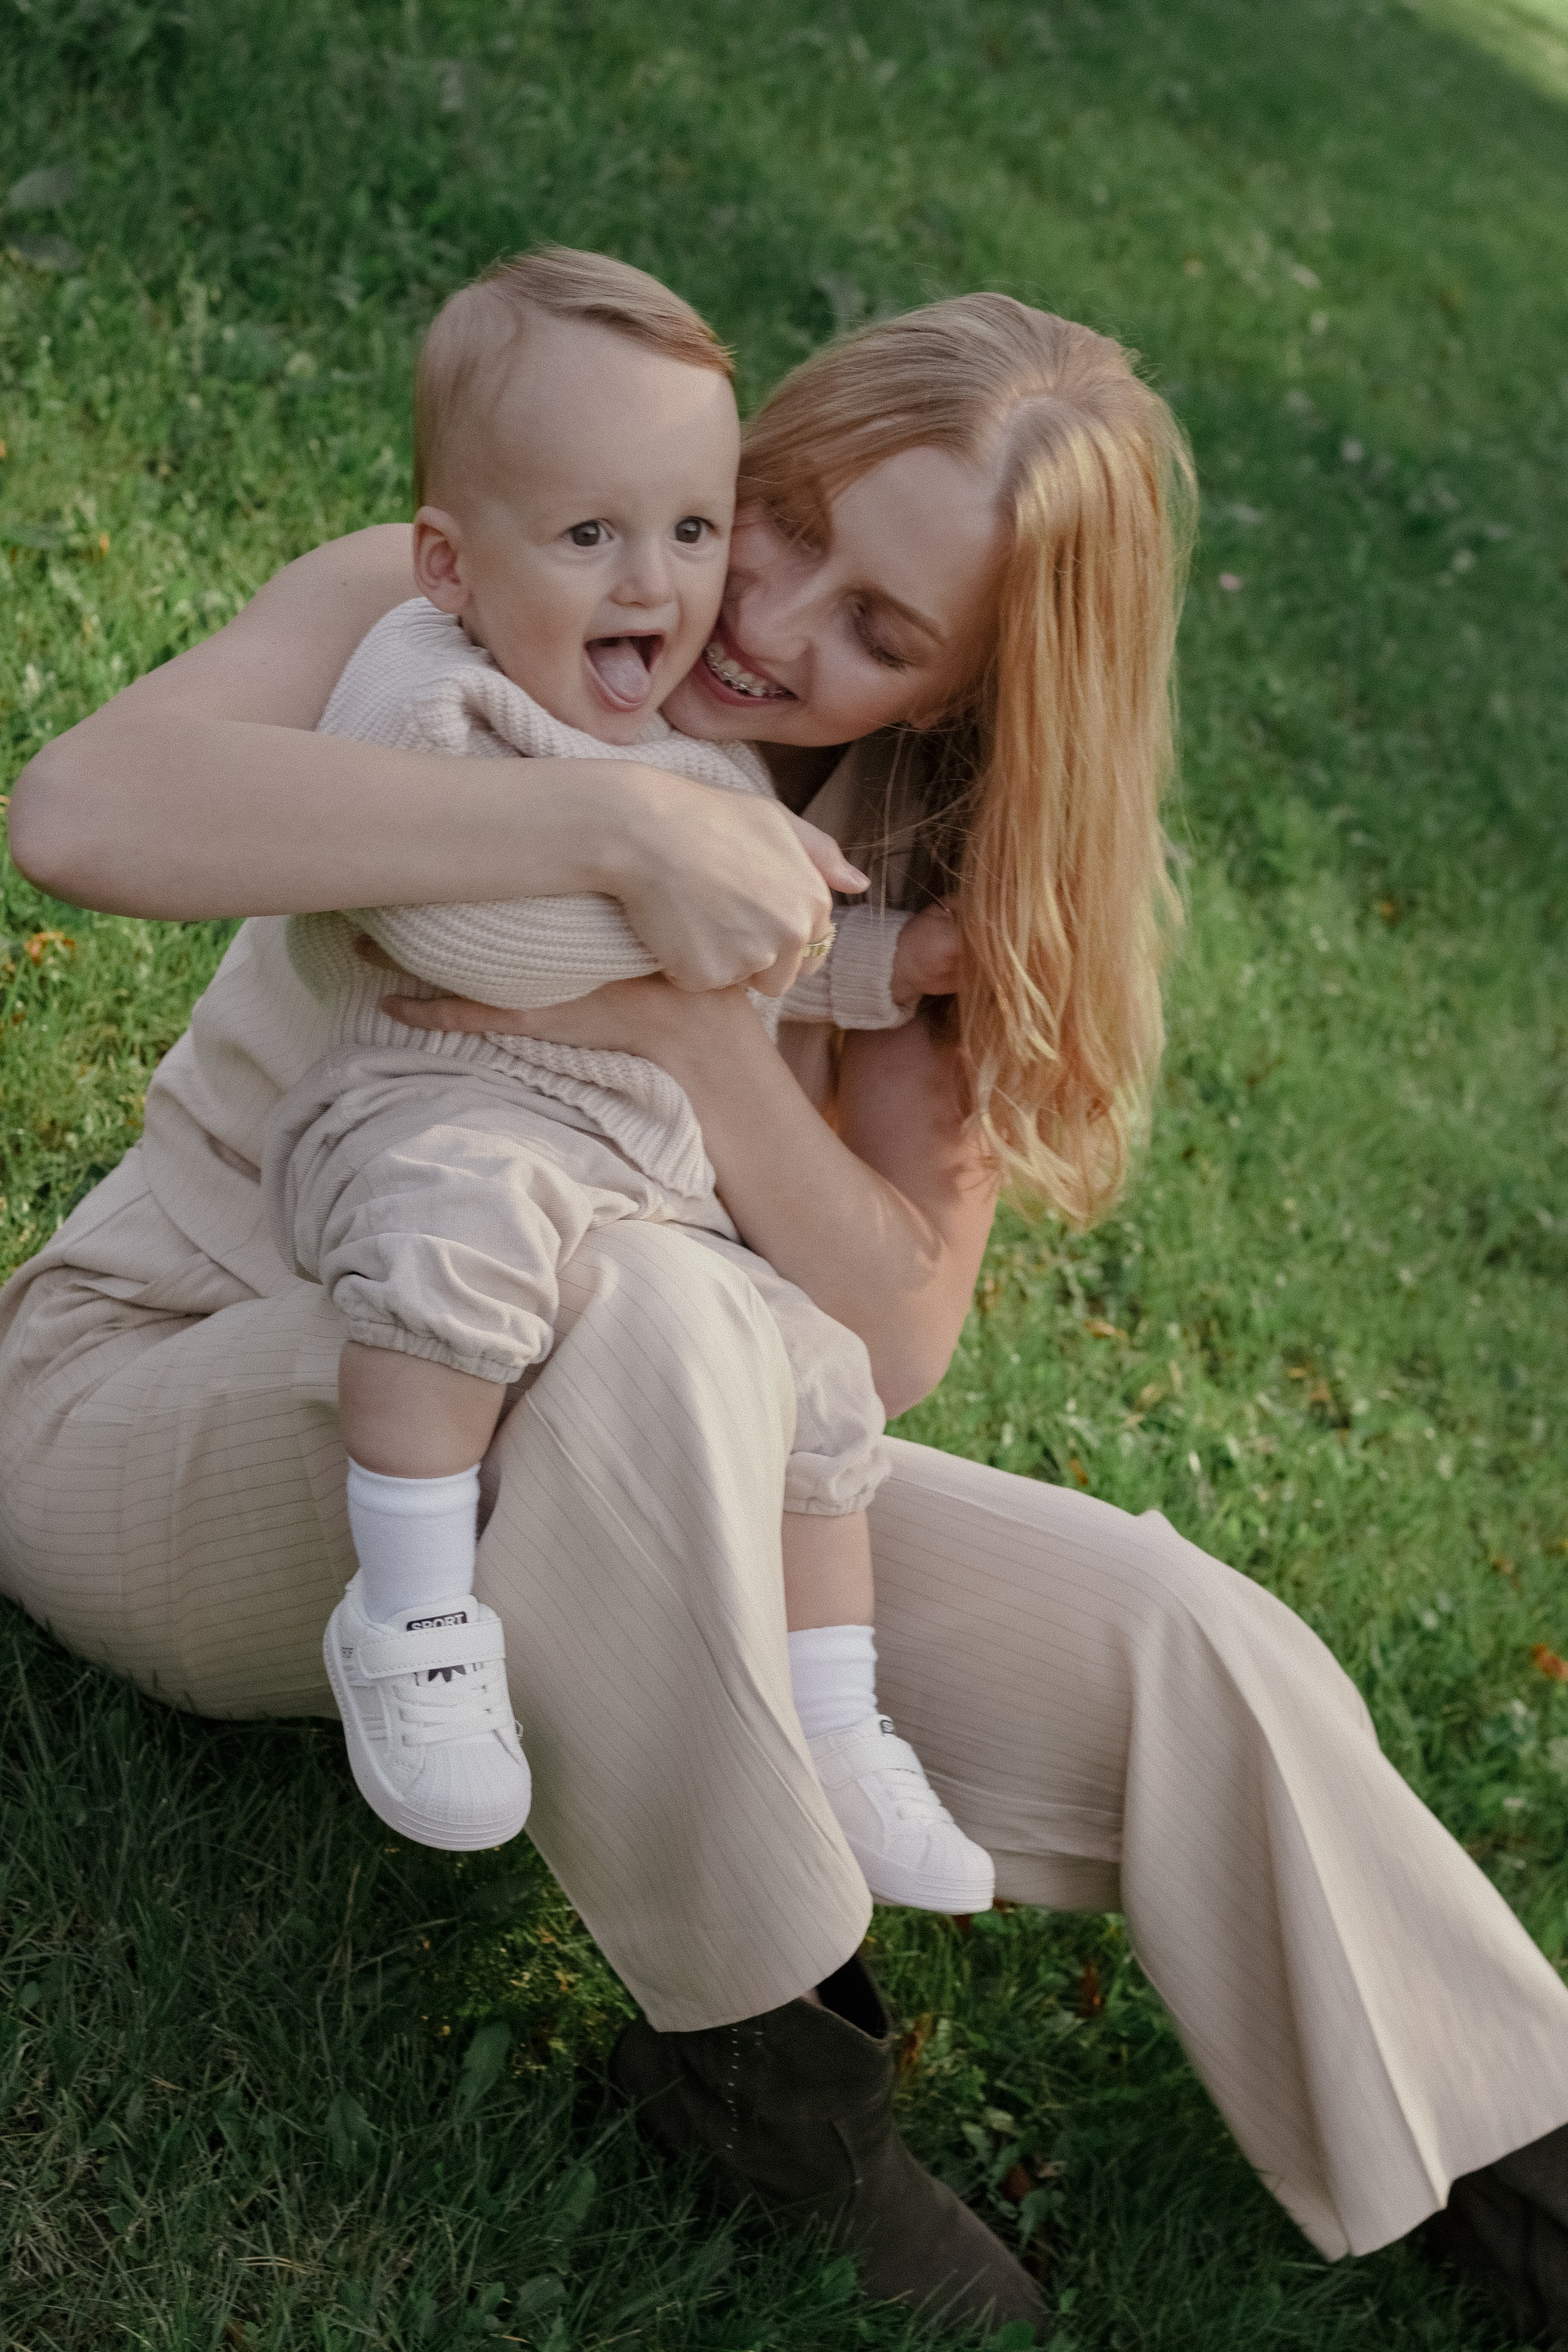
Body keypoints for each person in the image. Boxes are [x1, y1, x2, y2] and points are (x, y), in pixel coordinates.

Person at [7, 290, 1568, 2343]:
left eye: (882, 625)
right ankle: (772, 2073)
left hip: (630, 1453)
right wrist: (612, 819)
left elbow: (892, 1337)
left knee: (1183, 1634)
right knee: (641, 1302)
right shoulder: (462, 611)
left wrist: (697, 1030)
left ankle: (1525, 2161)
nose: (770, 615)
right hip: (176, 1392)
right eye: (791, 516)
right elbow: (81, 817)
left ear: (981, 685)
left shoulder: (925, 873)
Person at [247, 243, 990, 1910]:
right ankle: (413, 1612)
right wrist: (643, 870)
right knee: (466, 1241)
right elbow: (473, 933)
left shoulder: (681, 741)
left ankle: (834, 1721)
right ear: (454, 557)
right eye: (593, 537)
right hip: (428, 1114)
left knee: (815, 1373)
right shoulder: (438, 689)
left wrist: (905, 965)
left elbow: (770, 926)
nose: (660, 588)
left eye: (687, 532)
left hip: (627, 1171)